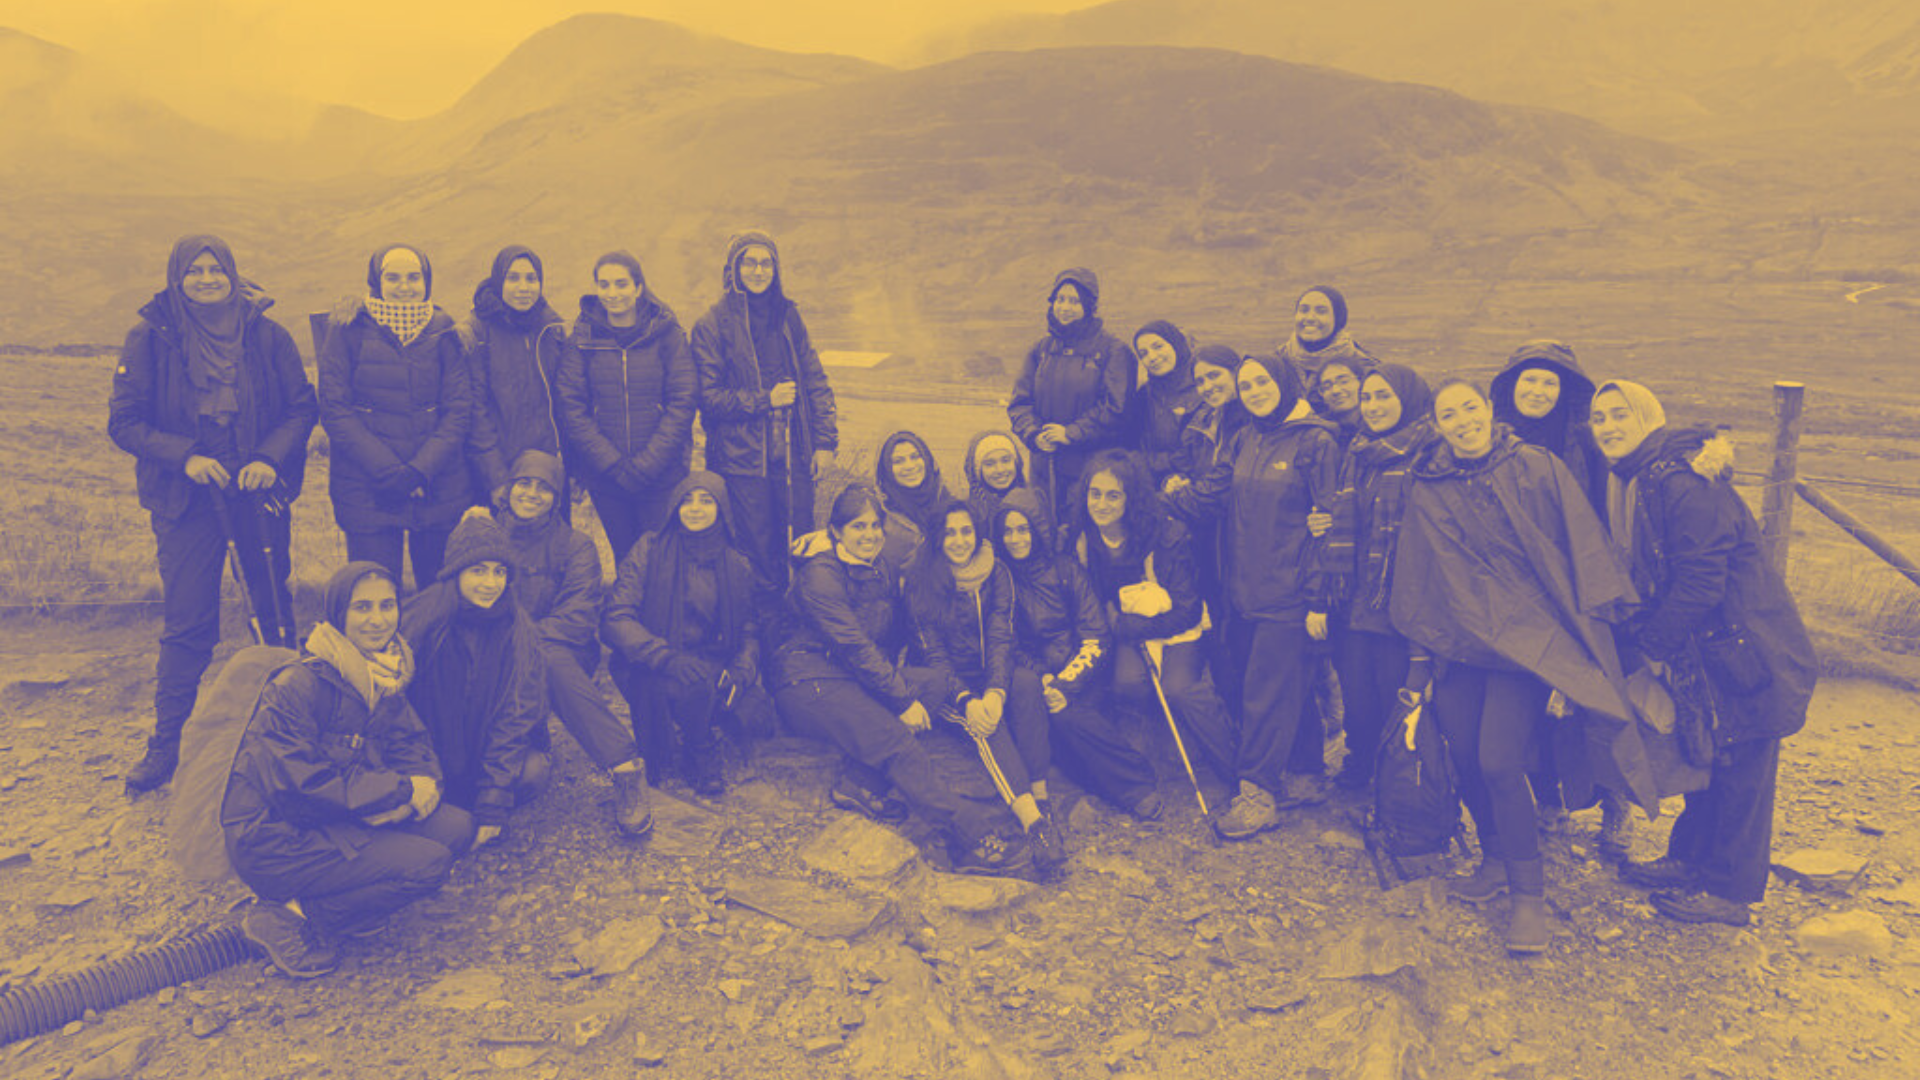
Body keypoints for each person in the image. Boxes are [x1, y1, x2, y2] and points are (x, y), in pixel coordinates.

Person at [1390, 379, 1653, 954]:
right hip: (1461, 645)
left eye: (1469, 408)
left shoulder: (1536, 467)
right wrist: (1423, 654)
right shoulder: (1429, 486)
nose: (1461, 421)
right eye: (1448, 415)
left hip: (1527, 646)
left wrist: (1578, 648)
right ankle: (1492, 859)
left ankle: (1527, 897)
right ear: (1437, 426)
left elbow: (1576, 547)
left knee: (1499, 760)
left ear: (1488, 411)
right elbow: (1422, 571)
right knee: (1463, 755)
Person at [1592, 381, 1817, 927]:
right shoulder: (1649, 477)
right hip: (1718, 646)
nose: (1607, 426)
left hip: (1751, 647)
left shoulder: (1682, 484)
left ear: (1649, 418)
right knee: (1711, 753)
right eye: (1598, 418)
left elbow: (1699, 582)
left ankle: (1731, 892)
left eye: (1621, 414)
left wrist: (1648, 646)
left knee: (1743, 768)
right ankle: (1690, 858)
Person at [111, 235, 318, 792]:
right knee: (188, 624)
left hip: (256, 490)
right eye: (195, 270)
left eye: (216, 269)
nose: (206, 279)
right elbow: (124, 421)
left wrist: (269, 460)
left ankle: (295, 735)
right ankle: (166, 747)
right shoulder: (150, 339)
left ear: (232, 272)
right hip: (188, 500)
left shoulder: (267, 336)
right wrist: (186, 458)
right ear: (177, 276)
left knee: (274, 612)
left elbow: (302, 407)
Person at [222, 562, 471, 979]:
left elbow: (414, 746)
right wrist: (398, 792)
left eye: (387, 605)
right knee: (428, 865)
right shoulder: (297, 686)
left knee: (456, 828)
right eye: (362, 608)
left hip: (338, 818)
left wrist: (415, 795)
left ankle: (351, 899)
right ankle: (290, 917)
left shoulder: (384, 673)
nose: (377, 619)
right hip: (276, 837)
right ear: (338, 613)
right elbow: (299, 788)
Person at [769, 485, 1032, 875]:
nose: (870, 534)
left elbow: (892, 638)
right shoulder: (820, 576)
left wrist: (906, 691)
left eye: (876, 526)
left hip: (848, 675)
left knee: (935, 683)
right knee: (897, 742)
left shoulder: (881, 569)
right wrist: (901, 701)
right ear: (835, 531)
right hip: (808, 678)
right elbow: (855, 646)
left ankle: (858, 783)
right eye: (858, 526)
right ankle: (970, 836)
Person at [1168, 353, 1343, 837]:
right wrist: (1157, 497)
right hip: (1246, 592)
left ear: (1284, 382)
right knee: (1290, 687)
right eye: (1247, 386)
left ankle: (1257, 797)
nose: (1255, 391)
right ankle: (1307, 776)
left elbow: (1330, 525)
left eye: (1263, 381)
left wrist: (1316, 600)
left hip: (1291, 595)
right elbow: (1213, 495)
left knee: (1264, 696)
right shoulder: (1247, 437)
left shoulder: (1317, 441)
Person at [1489, 339, 1624, 849]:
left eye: (1551, 382)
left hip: (1579, 586)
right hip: (1514, 589)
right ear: (1510, 386)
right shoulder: (1492, 439)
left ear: (1567, 392)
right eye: (1530, 380)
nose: (1539, 390)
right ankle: (1547, 800)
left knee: (1595, 694)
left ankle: (1616, 806)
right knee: (1531, 697)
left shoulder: (1588, 446)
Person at [1066, 450, 1237, 819]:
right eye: (1095, 494)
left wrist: (1130, 626)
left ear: (1132, 497)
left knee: (1181, 690)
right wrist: (1119, 627)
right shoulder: (1083, 540)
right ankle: (1152, 753)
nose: (1102, 504)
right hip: (1128, 630)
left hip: (1175, 626)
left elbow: (1187, 609)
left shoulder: (1164, 535)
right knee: (1128, 684)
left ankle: (1235, 772)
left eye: (1114, 495)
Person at [494, 450, 652, 836]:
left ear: (557, 497)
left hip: (560, 652)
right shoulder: (482, 535)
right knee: (526, 778)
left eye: (544, 488)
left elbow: (577, 618)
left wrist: (521, 644)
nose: (532, 494)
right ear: (509, 487)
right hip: (490, 658)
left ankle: (625, 767)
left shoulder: (576, 546)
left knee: (546, 658)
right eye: (524, 483)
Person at [908, 499, 1065, 873]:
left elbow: (1001, 636)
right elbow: (934, 658)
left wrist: (995, 690)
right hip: (943, 686)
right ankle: (1034, 824)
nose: (959, 541)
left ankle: (1039, 793)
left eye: (966, 531)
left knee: (1026, 686)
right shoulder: (921, 581)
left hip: (990, 674)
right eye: (950, 533)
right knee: (983, 724)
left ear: (978, 535)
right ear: (937, 538)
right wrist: (967, 701)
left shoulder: (998, 572)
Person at [991, 488, 1161, 820]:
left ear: (1038, 529)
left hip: (1083, 675)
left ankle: (1137, 784)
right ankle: (1113, 788)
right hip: (1040, 681)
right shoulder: (1002, 579)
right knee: (1062, 737)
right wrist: (1044, 678)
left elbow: (1095, 634)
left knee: (1068, 716)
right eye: (1007, 531)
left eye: (1023, 529)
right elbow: (1009, 643)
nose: (1015, 539)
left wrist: (1066, 683)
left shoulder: (1065, 569)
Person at [318, 244, 472, 587]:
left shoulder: (445, 329)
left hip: (436, 485)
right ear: (377, 281)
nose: (405, 286)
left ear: (427, 280)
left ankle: (430, 644)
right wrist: (389, 472)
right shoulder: (348, 329)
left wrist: (419, 471)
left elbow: (458, 409)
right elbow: (334, 407)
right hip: (367, 486)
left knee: (438, 591)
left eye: (414, 277)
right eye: (394, 277)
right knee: (374, 590)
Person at [603, 472, 763, 799]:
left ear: (722, 509)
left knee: (755, 715)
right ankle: (700, 748)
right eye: (687, 500)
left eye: (706, 501)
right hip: (651, 659)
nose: (695, 508)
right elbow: (616, 617)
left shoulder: (737, 563)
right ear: (674, 506)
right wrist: (664, 657)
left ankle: (697, 731)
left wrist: (743, 669)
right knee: (689, 683)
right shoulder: (649, 548)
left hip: (709, 657)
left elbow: (748, 628)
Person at [692, 231, 839, 588]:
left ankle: (802, 623)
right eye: (749, 262)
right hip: (740, 459)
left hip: (794, 452)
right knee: (754, 549)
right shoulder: (712, 325)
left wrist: (824, 442)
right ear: (733, 269)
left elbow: (814, 378)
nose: (758, 271)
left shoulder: (788, 316)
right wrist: (764, 400)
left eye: (766, 262)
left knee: (800, 540)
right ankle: (762, 629)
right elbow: (709, 398)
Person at [401, 516, 548, 850]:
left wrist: (494, 801)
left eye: (499, 571)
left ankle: (475, 796)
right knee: (449, 826)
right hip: (429, 754)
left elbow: (516, 718)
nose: (490, 583)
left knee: (533, 771)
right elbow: (398, 713)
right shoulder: (422, 622)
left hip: (484, 749)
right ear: (456, 572)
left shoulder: (520, 631)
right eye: (478, 570)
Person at [1321, 364, 1436, 790]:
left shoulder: (1430, 452)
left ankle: (1402, 782)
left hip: (1403, 600)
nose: (1373, 406)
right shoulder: (1359, 451)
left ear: (1408, 397)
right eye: (1367, 397)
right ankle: (1360, 764)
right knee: (1357, 693)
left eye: (1384, 395)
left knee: (1397, 693)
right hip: (1355, 598)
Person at [555, 251, 696, 564]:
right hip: (607, 477)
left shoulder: (667, 333)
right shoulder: (583, 336)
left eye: (621, 284)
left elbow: (683, 400)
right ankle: (626, 613)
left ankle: (662, 614)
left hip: (662, 474)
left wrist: (648, 464)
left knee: (661, 558)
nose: (612, 293)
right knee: (626, 558)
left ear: (639, 287)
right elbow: (572, 405)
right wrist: (612, 464)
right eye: (604, 285)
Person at [1008, 268, 1135, 524]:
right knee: (1045, 532)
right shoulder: (1041, 351)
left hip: (1092, 472)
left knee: (1084, 539)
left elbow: (1117, 409)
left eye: (1074, 301)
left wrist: (1071, 433)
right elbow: (1020, 403)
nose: (1065, 307)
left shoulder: (1113, 351)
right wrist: (1033, 434)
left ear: (1089, 306)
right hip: (1045, 469)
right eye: (1060, 299)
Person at [463, 245, 566, 507]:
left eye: (531, 279)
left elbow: (566, 404)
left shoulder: (551, 329)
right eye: (513, 278)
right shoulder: (478, 332)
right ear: (498, 280)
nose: (524, 287)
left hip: (546, 472)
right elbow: (476, 412)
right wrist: (496, 478)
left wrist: (571, 468)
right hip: (501, 473)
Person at [1131, 320, 1202, 486]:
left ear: (1175, 344)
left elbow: (1195, 453)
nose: (1152, 357)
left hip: (1190, 485)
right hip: (1150, 484)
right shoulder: (1143, 394)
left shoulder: (1202, 388)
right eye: (1144, 353)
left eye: (1158, 346)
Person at [874, 429, 952, 568]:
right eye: (898, 461)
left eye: (915, 456)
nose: (909, 466)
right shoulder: (879, 514)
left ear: (927, 458)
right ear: (886, 469)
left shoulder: (949, 504)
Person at [1274, 285, 1374, 384]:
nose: (1310, 318)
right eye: (1304, 310)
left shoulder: (1363, 368)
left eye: (1321, 311)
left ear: (1338, 319)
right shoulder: (1277, 364)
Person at [963, 430, 1031, 528]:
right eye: (990, 464)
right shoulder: (969, 515)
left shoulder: (1034, 504)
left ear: (1016, 463)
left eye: (1006, 460)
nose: (1000, 470)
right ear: (978, 471)